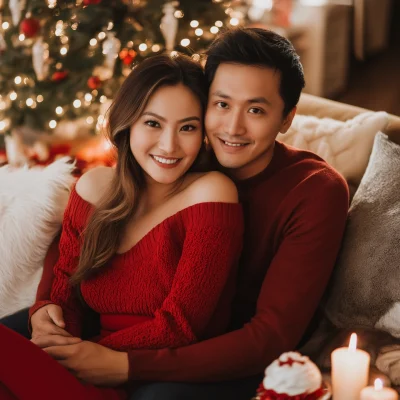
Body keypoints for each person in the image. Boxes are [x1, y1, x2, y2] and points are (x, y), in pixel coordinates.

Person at [1, 28, 349, 400]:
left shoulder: (314, 190)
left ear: (286, 118)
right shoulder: (181, 153)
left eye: (256, 110)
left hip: (222, 355)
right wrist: (46, 305)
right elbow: (78, 239)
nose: (232, 127)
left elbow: (268, 337)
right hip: (120, 333)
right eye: (221, 104)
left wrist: (119, 362)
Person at [0, 53, 244, 399]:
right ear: (127, 122)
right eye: (153, 123)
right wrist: (52, 327)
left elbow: (180, 325)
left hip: (145, 375)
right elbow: (65, 285)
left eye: (188, 127)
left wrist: (91, 354)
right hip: (78, 366)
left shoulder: (212, 193)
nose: (169, 145)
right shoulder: (95, 186)